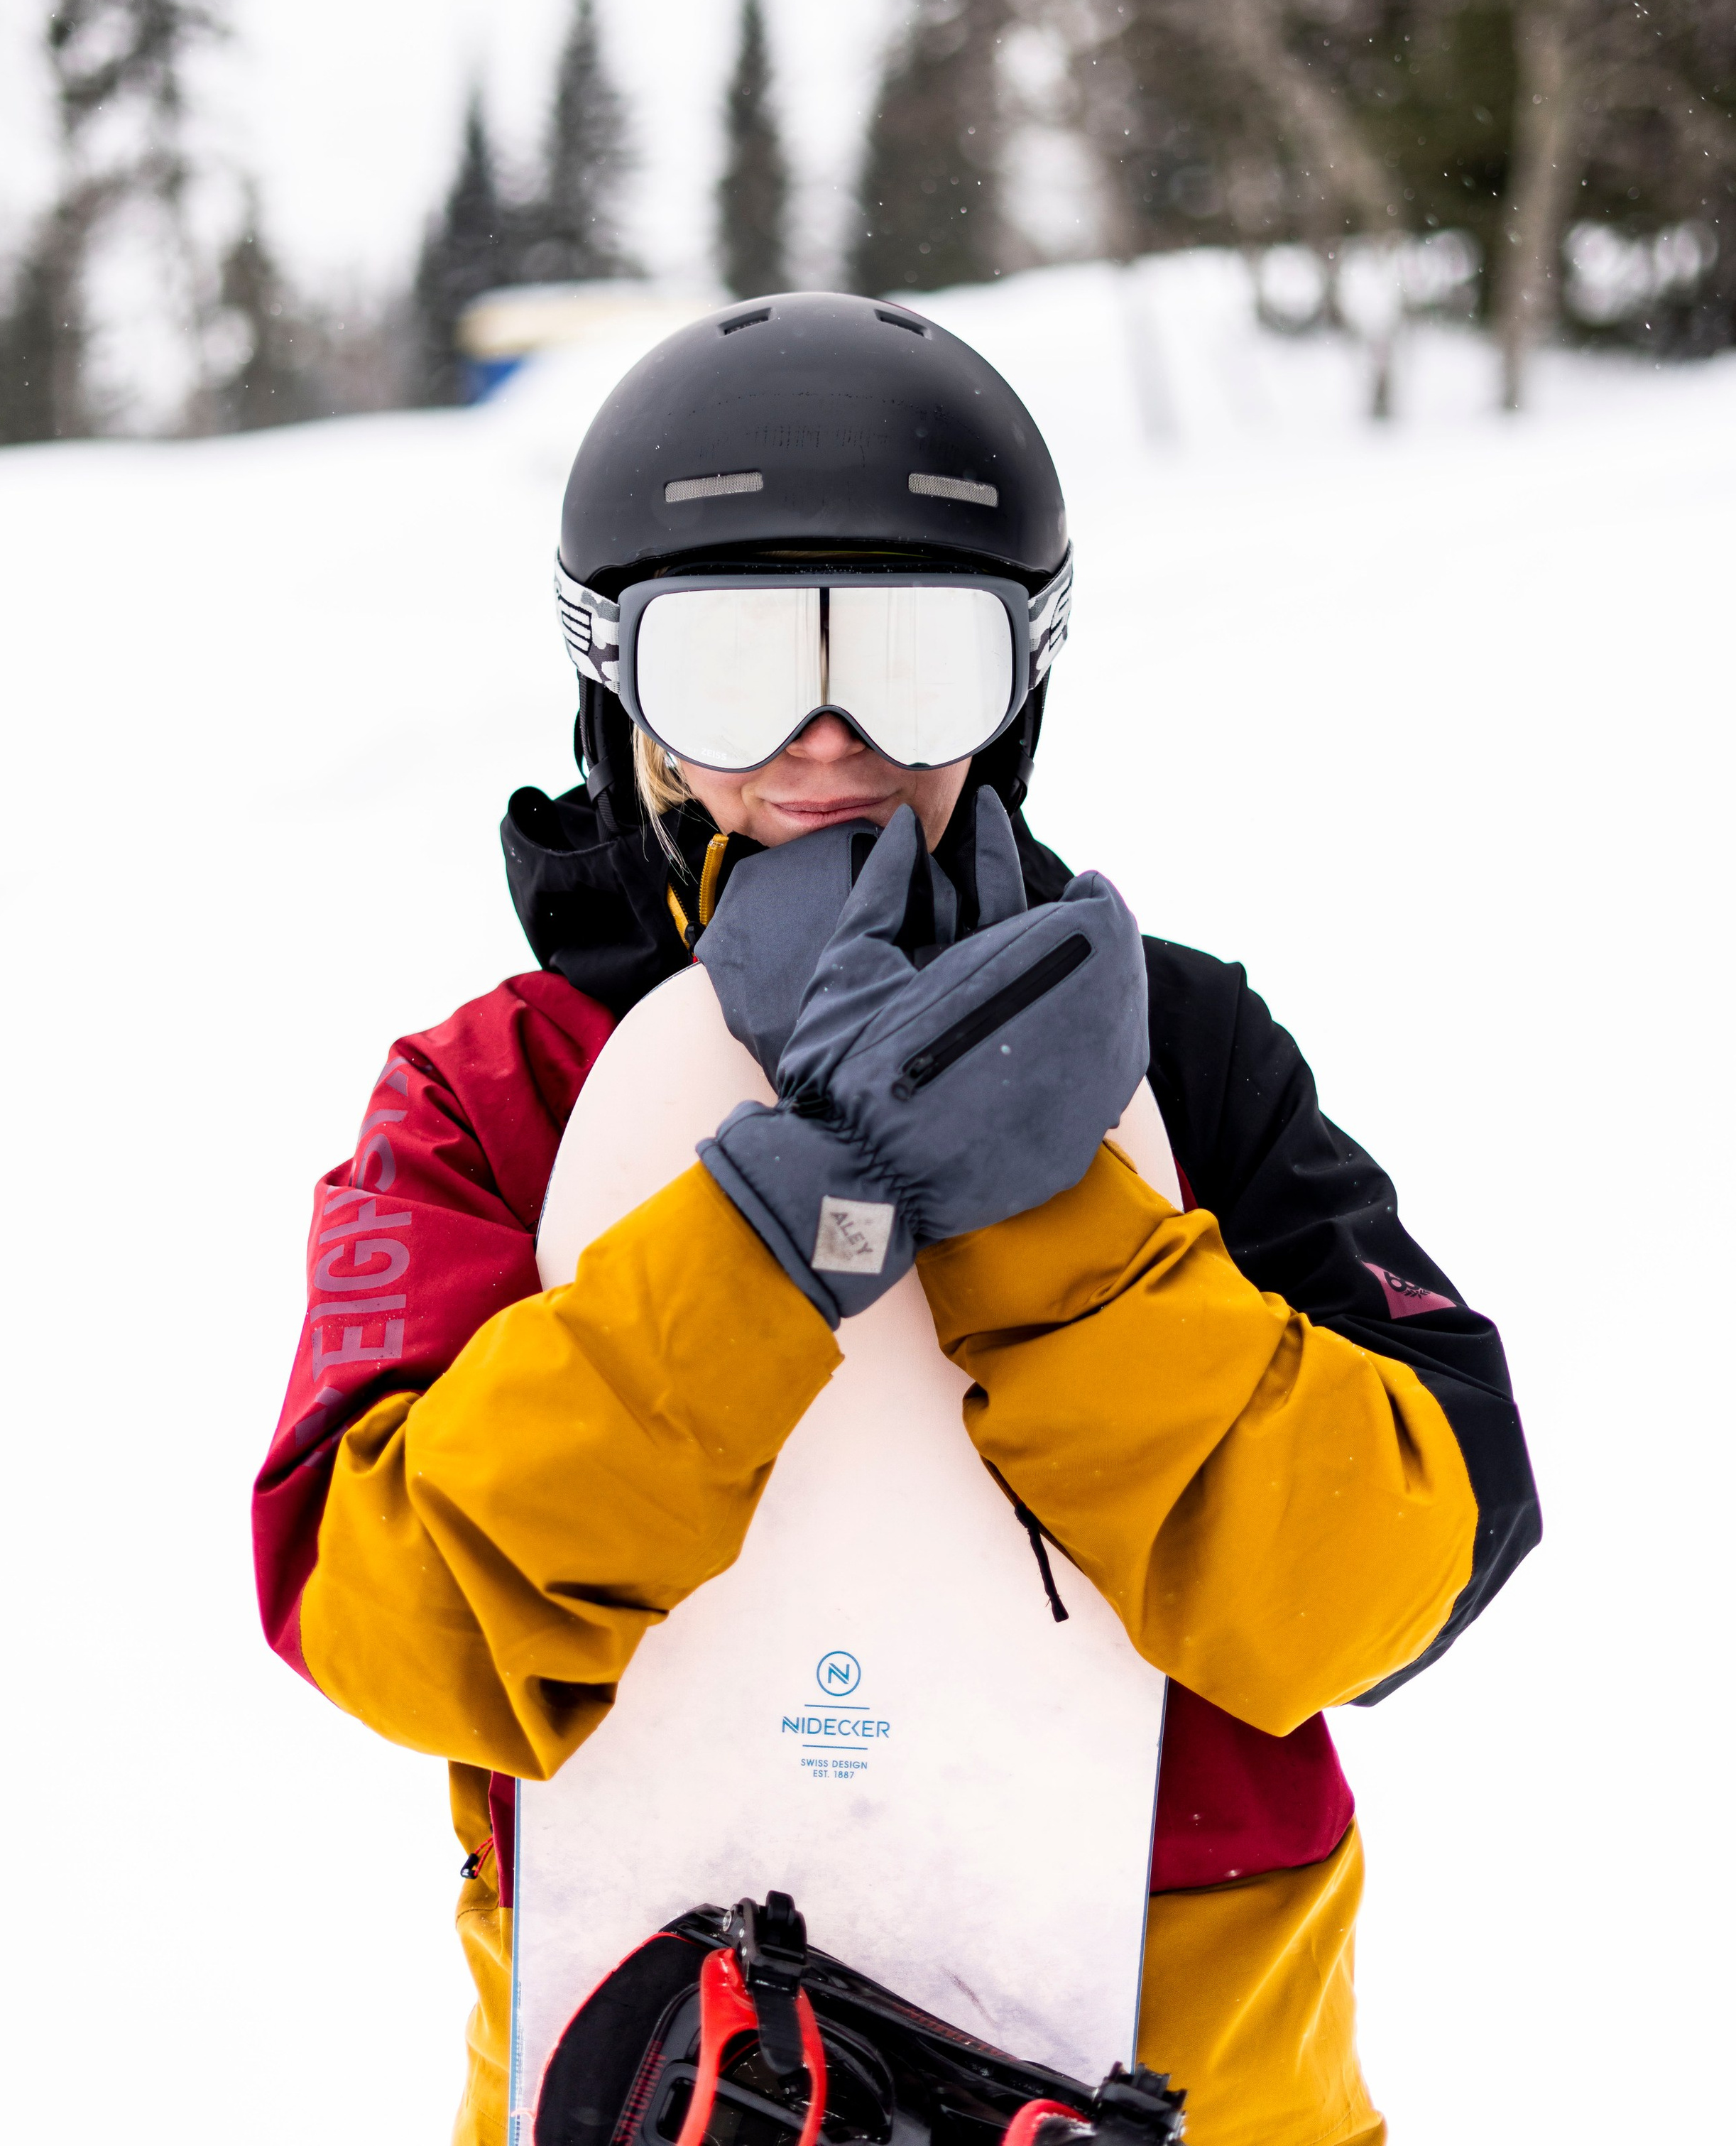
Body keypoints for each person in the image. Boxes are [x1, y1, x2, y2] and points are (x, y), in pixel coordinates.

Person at [253, 290, 1539, 2146]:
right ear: (617, 686)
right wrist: (776, 1230)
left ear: (1024, 680)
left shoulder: (1184, 1057)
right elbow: (399, 1621)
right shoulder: (497, 1096)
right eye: (739, 658)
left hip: (1190, 2076)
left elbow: (1370, 1590)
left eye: (916, 658)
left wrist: (1045, 1213)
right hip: (663, 2065)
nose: (827, 740)